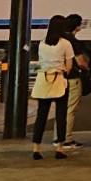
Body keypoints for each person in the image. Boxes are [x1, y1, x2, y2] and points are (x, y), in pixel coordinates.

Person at [32, 15, 74, 160]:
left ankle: (36, 148)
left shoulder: (42, 43)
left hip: (43, 79)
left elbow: (41, 62)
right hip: (59, 80)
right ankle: (59, 148)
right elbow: (69, 66)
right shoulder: (65, 44)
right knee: (61, 115)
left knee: (41, 115)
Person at [62, 12, 91, 145]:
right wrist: (89, 69)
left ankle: (59, 137)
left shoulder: (59, 39)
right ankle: (66, 138)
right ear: (77, 27)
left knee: (61, 108)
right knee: (70, 109)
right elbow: (80, 62)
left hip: (59, 78)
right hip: (73, 77)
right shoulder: (73, 42)